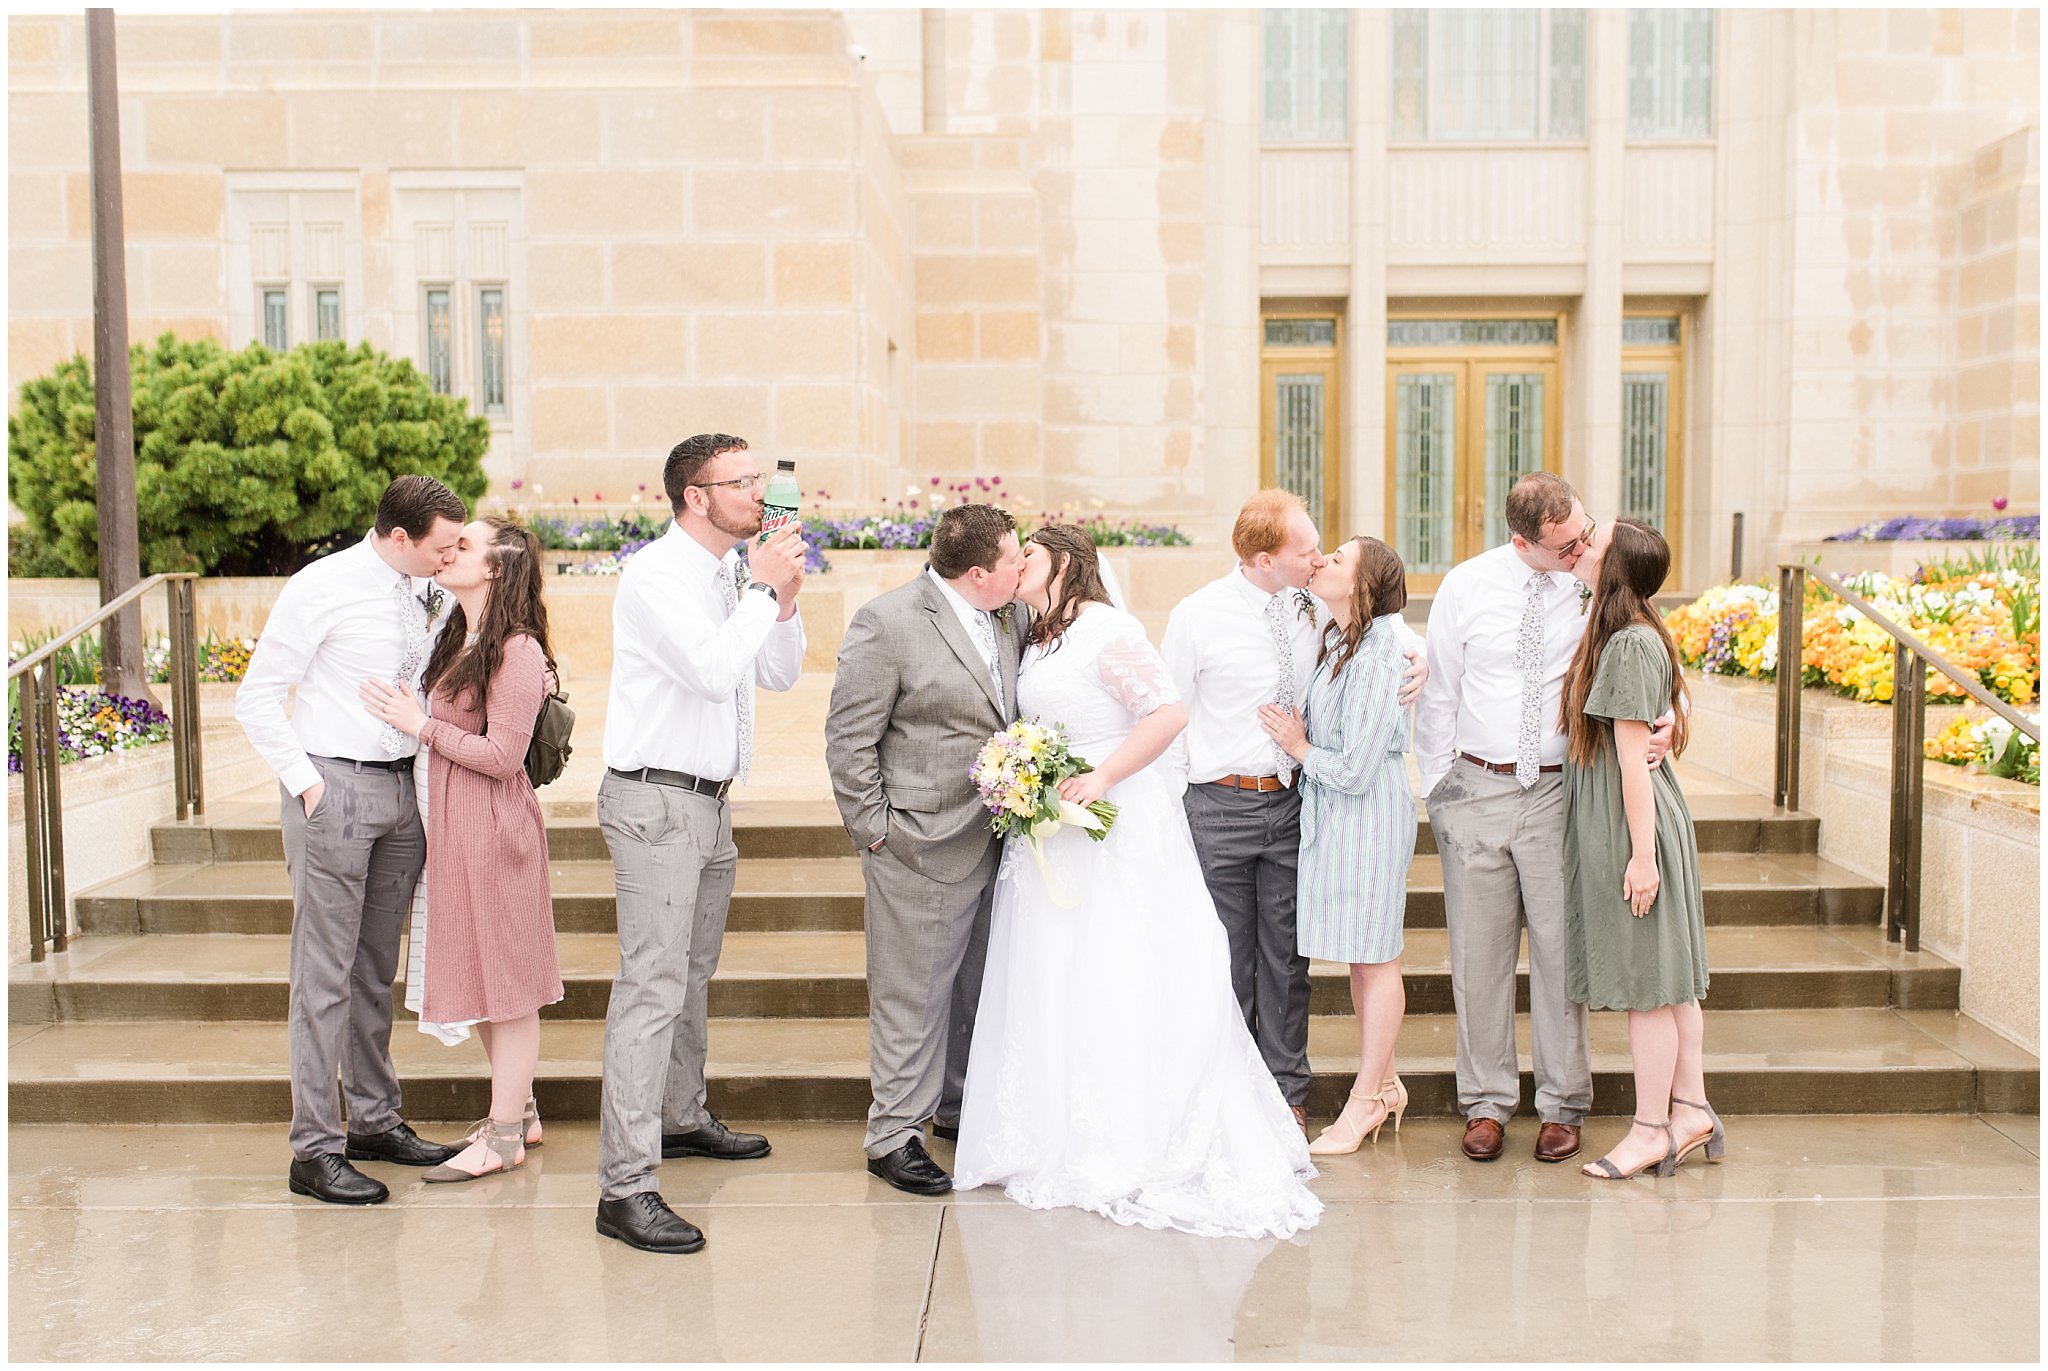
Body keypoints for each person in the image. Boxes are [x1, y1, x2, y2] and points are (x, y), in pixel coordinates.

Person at [954, 525, 1321, 1239]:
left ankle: (1127, 1130)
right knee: (1058, 973)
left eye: (1029, 552)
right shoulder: (1039, 635)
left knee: (1115, 965)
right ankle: (1052, 1129)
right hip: (1057, 831)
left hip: (1113, 820)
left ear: (1065, 561)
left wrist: (1104, 776)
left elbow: (1168, 712)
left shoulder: (1106, 629)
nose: (1018, 563)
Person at [1414, 471, 1673, 1165]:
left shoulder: (1596, 581)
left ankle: (1563, 1103)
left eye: (1585, 533)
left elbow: (1647, 647)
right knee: (1478, 957)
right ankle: (1487, 1102)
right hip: (1476, 789)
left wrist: (1668, 719)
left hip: (1563, 794)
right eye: (1566, 543)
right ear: (1522, 540)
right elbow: (1438, 691)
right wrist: (1440, 787)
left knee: (1563, 956)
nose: (1583, 547)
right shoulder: (1466, 587)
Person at [593, 433, 808, 1254]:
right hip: (656, 800)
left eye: (760, 478)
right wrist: (761, 591)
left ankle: (679, 1116)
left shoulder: (732, 574)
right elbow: (714, 670)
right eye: (742, 481)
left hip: (711, 804)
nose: (761, 493)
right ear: (695, 495)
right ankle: (626, 1186)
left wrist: (781, 600)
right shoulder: (656, 575)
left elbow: (778, 672)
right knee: (651, 986)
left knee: (690, 975)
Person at [233, 475, 467, 1205]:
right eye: (440, 545)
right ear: (399, 537)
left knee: (375, 970)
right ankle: (315, 1146)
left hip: (405, 789)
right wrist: (309, 784)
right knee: (324, 973)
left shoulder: (431, 587)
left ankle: (373, 1118)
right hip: (333, 786)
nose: (450, 556)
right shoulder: (322, 585)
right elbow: (257, 694)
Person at [1161, 489, 1425, 1131]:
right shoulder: (1197, 616)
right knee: (1224, 954)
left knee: (1287, 958)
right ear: (1261, 559)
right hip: (1219, 804)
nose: (1316, 559)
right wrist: (1173, 815)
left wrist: (1421, 656)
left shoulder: (1315, 607)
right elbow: (1167, 719)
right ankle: (1223, 1086)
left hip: (1295, 806)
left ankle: (1285, 1091)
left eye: (1319, 549)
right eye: (1305, 550)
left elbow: (1384, 627)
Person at [824, 503, 1028, 1197]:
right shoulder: (888, 622)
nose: (1023, 568)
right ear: (979, 572)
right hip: (915, 843)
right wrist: (878, 831)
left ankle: (953, 1108)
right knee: (909, 997)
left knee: (975, 990)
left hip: (996, 841)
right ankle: (892, 1137)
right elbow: (849, 740)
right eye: (1014, 559)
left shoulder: (1012, 617)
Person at [359, 517, 565, 1181]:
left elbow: (505, 757)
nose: (450, 552)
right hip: (454, 833)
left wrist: (422, 728)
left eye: (465, 545)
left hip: (495, 834)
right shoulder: (459, 633)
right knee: (483, 980)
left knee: (509, 989)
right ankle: (521, 1109)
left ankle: (505, 1133)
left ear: (497, 568)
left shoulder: (518, 649)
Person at [1558, 519, 1722, 1180]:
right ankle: (1692, 1109)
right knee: (1671, 982)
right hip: (1642, 819)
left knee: (1647, 987)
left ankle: (1652, 1127)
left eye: (1592, 543)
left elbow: (1632, 762)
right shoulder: (1631, 631)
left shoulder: (1628, 644)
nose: (1582, 545)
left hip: (1634, 825)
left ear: (1615, 567)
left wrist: (1642, 855)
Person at [1258, 536, 1416, 1155]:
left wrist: (1298, 748)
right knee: (1361, 957)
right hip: (1341, 824)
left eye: (1338, 559)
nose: (1323, 562)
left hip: (1368, 819)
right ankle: (1388, 1080)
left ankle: (1365, 1101)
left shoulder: (1378, 651)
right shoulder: (1337, 643)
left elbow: (1354, 767)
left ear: (1362, 584)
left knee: (1376, 959)